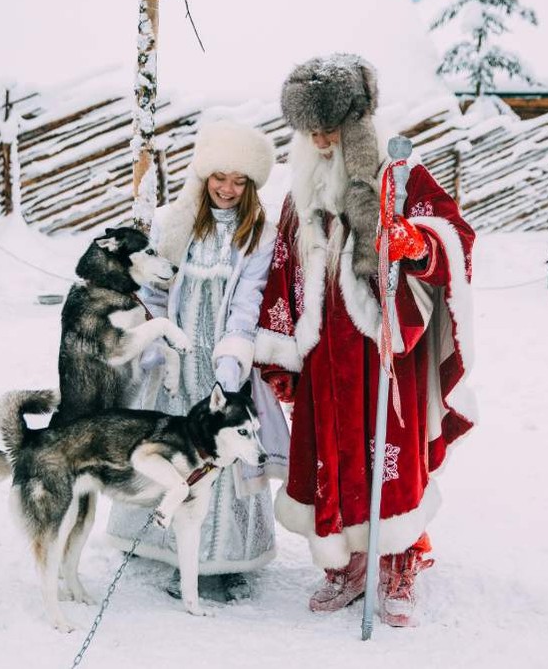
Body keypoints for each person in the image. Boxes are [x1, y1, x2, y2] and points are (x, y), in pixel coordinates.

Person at [254, 54, 477, 627]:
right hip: (325, 351)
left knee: (387, 450)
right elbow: (283, 264)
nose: (322, 138)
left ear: (357, 122)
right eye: (311, 129)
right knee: (331, 448)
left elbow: (454, 234)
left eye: (331, 126)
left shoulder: (398, 177)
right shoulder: (298, 190)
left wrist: (416, 242)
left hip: (384, 347)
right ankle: (351, 559)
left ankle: (397, 555)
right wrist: (280, 345)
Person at [105, 119, 288, 602]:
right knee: (169, 446)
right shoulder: (174, 222)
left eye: (239, 180)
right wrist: (158, 347)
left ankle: (221, 558)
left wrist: (231, 366)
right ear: (203, 175)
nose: (227, 189)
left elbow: (249, 302)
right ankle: (164, 543)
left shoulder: (260, 234)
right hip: (176, 359)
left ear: (251, 185)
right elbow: (154, 290)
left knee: (222, 452)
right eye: (219, 176)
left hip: (224, 361)